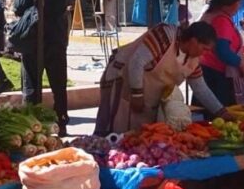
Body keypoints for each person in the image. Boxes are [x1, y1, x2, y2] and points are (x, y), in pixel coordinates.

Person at [95, 21, 229, 135]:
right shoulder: (165, 35)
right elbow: (137, 62)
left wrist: (221, 111)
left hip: (148, 98)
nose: (204, 54)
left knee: (140, 135)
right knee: (114, 132)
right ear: (194, 41)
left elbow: (200, 88)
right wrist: (137, 94)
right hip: (121, 81)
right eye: (204, 49)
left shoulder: (193, 60)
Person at [14, 0, 71, 134]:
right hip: (57, 39)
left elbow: (19, 7)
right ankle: (61, 120)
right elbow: (67, 3)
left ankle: (33, 124)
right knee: (59, 85)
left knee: (31, 84)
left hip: (34, 40)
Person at [200, 0, 244, 107]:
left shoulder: (210, 14)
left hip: (206, 72)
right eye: (238, 2)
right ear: (230, 2)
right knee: (220, 115)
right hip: (218, 78)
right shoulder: (221, 20)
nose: (239, 6)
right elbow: (222, 51)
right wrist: (241, 64)